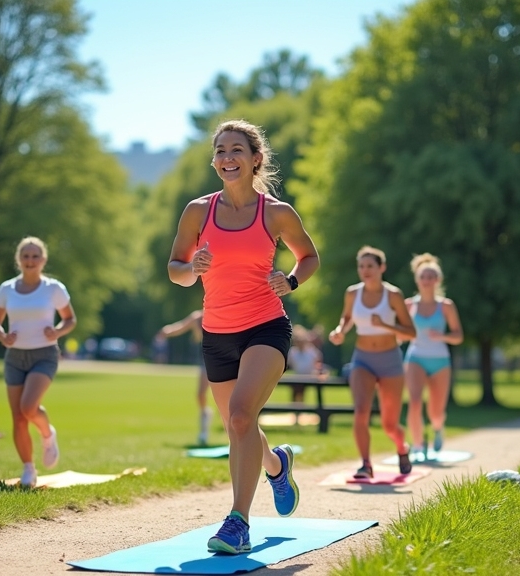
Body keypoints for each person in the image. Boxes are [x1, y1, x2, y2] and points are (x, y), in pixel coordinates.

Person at [168, 119, 319, 554]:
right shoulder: (198, 211)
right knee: (242, 423)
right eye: (220, 151)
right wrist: (189, 269)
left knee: (238, 417)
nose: (226, 158)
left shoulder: (276, 213)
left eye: (236, 150)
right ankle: (277, 465)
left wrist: (290, 281)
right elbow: (175, 269)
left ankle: (238, 521)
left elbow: (309, 256)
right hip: (217, 333)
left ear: (256, 159)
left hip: (265, 327)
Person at [0, 237, 76, 487]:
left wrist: (57, 332)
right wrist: (2, 336)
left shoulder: (53, 288)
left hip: (44, 355)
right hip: (14, 357)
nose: (30, 261)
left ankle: (48, 435)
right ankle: (28, 468)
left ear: (43, 260)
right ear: (19, 260)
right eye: (25, 256)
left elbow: (70, 319)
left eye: (35, 256)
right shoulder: (7, 289)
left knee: (28, 407)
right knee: (18, 418)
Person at [328, 247, 416, 478]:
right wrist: (340, 331)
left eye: (370, 266)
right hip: (363, 359)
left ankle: (401, 447)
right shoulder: (352, 293)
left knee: (389, 425)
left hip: (390, 361)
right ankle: (365, 464)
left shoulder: (393, 295)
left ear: (381, 268)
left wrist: (385, 325)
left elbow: (411, 331)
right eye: (361, 266)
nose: (365, 271)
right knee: (361, 412)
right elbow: (346, 318)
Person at [402, 253, 464, 459]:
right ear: (417, 280)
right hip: (415, 357)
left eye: (431, 276)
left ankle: (438, 428)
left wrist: (443, 336)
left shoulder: (446, 306)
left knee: (436, 412)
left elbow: (458, 336)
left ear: (438, 280)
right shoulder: (409, 305)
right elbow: (399, 332)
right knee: (415, 401)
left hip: (440, 361)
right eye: (423, 277)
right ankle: (419, 445)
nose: (427, 281)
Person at [159, 310, 214, 445]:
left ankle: (233, 435)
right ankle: (205, 421)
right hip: (207, 358)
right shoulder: (197, 317)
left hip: (228, 355)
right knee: (201, 394)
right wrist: (166, 332)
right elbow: (181, 327)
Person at [287, 325, 323, 403]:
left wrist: (318, 372)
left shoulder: (312, 351)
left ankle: (298, 408)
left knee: (299, 386)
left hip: (309, 377)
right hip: (298, 377)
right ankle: (295, 408)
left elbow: (318, 364)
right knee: (296, 386)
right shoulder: (293, 352)